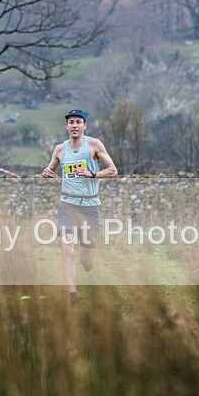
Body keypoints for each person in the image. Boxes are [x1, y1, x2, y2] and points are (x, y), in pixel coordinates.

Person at [42, 109, 117, 303]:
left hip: (90, 206)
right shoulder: (60, 149)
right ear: (66, 126)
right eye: (71, 122)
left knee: (85, 259)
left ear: (85, 126)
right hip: (67, 204)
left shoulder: (93, 145)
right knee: (67, 249)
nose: (74, 125)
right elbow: (51, 169)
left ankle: (87, 260)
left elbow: (112, 171)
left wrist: (91, 174)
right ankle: (72, 295)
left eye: (78, 122)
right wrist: (47, 173)